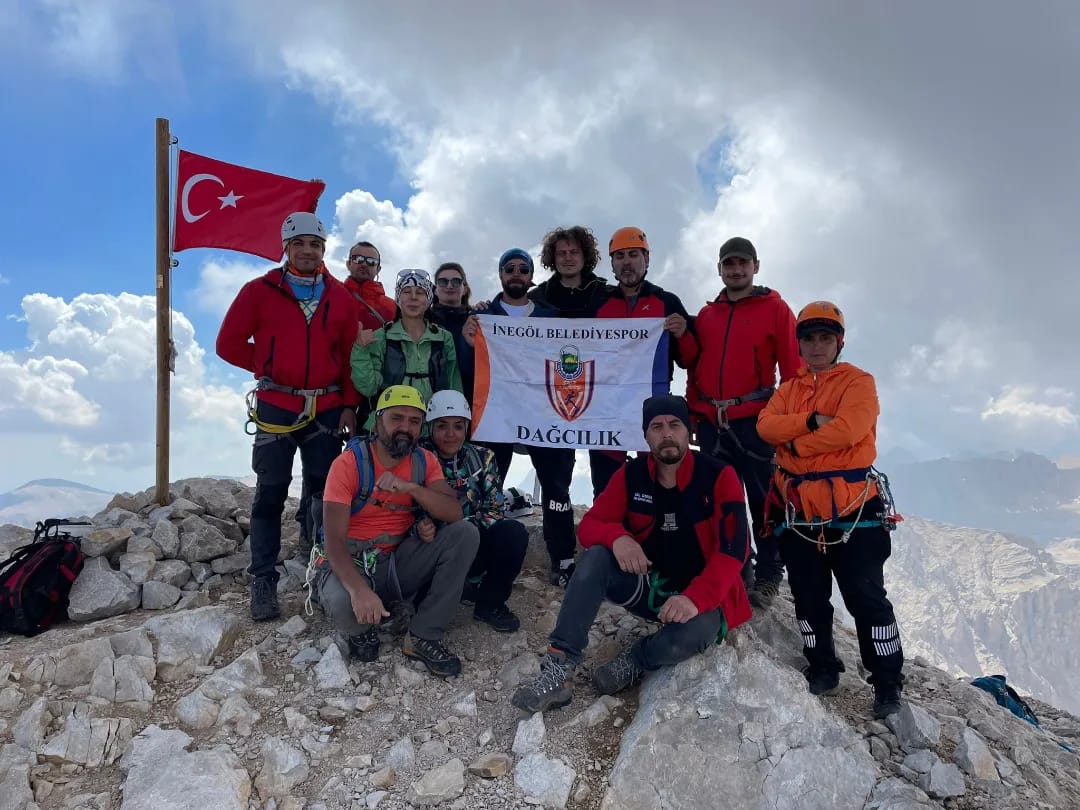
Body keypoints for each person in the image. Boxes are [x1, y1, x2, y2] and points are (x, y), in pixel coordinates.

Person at [511, 395, 752, 713]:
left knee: (690, 636)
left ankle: (638, 658)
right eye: (656, 426)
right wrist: (617, 538)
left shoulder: (719, 476)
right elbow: (590, 527)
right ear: (645, 435)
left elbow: (734, 550)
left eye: (674, 425)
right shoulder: (631, 475)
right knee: (597, 556)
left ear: (688, 432)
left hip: (703, 597)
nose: (666, 433)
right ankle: (560, 667)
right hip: (652, 587)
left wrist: (693, 599)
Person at [757, 301, 904, 719]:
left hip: (854, 511)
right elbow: (767, 428)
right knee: (808, 598)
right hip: (801, 511)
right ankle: (822, 666)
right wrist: (813, 422)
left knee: (866, 597)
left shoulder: (859, 382)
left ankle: (888, 681)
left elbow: (852, 429)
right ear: (799, 344)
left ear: (839, 342)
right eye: (809, 338)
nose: (817, 346)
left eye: (825, 338)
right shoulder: (789, 388)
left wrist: (797, 445)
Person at [216, 211, 359, 621]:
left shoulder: (339, 297)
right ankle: (263, 579)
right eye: (299, 244)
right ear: (287, 247)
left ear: (323, 249)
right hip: (277, 406)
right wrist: (269, 369)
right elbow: (228, 344)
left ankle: (319, 570)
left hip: (327, 407)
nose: (308, 251)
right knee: (271, 491)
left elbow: (349, 356)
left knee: (322, 494)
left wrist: (349, 403)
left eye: (315, 244)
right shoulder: (259, 291)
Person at [316, 385, 479, 676]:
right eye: (397, 418)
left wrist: (412, 488)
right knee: (348, 610)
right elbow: (334, 541)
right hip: (353, 560)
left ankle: (423, 634)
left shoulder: (424, 461)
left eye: (414, 421)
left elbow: (453, 512)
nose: (405, 427)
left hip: (397, 561)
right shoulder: (349, 464)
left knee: (465, 534)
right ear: (378, 421)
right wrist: (358, 590)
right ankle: (363, 620)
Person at [686, 236, 802, 610]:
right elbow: (695, 369)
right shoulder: (707, 315)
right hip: (711, 420)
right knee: (720, 500)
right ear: (719, 269)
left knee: (762, 500)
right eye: (729, 264)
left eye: (742, 264)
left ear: (755, 266)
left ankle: (769, 574)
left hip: (755, 420)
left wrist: (783, 421)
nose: (736, 271)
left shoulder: (776, 309)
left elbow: (793, 371)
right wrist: (692, 410)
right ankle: (737, 567)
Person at [462, 248, 577, 587]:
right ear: (500, 275)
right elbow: (469, 374)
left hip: (544, 416)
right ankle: (481, 559)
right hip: (496, 416)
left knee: (557, 487)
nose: (516, 274)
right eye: (509, 268)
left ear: (530, 276)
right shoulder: (484, 316)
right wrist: (469, 343)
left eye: (522, 269)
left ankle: (564, 557)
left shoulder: (551, 317)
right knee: (487, 489)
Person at [589, 227, 699, 497]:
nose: (627, 262)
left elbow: (689, 360)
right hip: (607, 411)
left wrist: (683, 333)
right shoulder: (597, 304)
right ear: (612, 265)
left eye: (634, 255)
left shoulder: (666, 301)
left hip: (652, 408)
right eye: (620, 256)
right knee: (606, 488)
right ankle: (608, 537)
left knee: (655, 484)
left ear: (646, 260)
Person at [421, 389, 528, 632]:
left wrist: (464, 530)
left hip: (473, 542)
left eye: (458, 426)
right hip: (431, 546)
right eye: (442, 426)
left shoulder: (482, 457)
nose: (450, 434)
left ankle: (489, 603)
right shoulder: (418, 457)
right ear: (430, 428)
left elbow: (495, 509)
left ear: (467, 428)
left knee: (513, 533)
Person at [351, 269, 463, 432]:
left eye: (420, 292)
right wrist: (360, 350)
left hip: (431, 428)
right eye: (406, 291)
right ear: (398, 298)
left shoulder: (443, 338)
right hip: (388, 428)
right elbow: (368, 387)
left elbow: (454, 383)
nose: (413, 297)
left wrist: (454, 421)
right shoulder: (381, 337)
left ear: (428, 299)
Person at [528, 225, 610, 317]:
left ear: (585, 256)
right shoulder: (536, 299)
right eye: (561, 253)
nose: (568, 258)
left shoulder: (606, 295)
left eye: (574, 252)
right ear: (553, 258)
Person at [429, 262, 476, 403]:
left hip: (471, 397)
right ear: (435, 289)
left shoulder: (477, 320)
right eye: (442, 281)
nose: (449, 286)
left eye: (456, 281)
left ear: (465, 289)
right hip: (431, 395)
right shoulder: (422, 320)